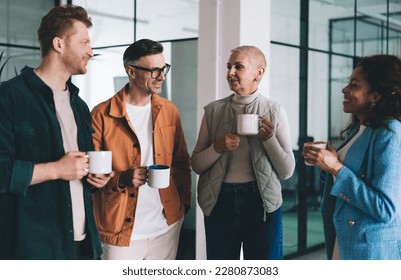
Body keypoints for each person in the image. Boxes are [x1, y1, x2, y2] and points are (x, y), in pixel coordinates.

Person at [0, 5, 113, 260]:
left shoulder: (80, 106)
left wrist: (96, 178)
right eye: (84, 42)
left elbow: (77, 171)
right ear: (59, 44)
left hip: (83, 246)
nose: (90, 51)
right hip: (36, 249)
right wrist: (56, 169)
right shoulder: (8, 98)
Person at [91, 39, 192, 260]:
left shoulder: (169, 110)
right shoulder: (101, 115)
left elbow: (181, 162)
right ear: (132, 71)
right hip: (120, 229)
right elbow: (91, 177)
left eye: (163, 68)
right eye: (154, 71)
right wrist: (122, 178)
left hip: (166, 224)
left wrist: (183, 204)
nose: (162, 76)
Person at [191, 45, 295, 260]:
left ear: (259, 72)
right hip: (219, 201)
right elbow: (197, 165)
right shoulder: (213, 111)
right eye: (229, 67)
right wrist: (217, 147)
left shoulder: (275, 110)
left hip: (262, 203)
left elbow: (287, 171)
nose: (230, 73)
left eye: (238, 67)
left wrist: (269, 140)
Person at [302, 55, 401, 260]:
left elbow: (385, 208)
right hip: (344, 237)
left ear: (375, 95)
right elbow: (351, 177)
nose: (344, 89)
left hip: (369, 249)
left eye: (354, 85)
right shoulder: (360, 128)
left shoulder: (390, 134)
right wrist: (326, 162)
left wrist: (336, 167)